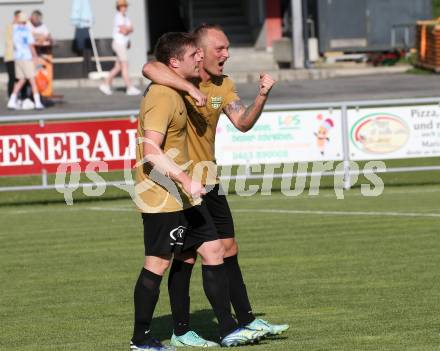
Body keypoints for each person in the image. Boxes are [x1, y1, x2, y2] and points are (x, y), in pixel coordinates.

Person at [142, 24, 289, 346]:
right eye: (219, 48)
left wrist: (262, 95)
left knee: (227, 249)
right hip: (182, 183)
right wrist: (192, 89)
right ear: (199, 51)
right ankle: (186, 329)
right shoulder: (176, 80)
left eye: (226, 48)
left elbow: (243, 122)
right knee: (189, 257)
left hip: (210, 180)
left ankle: (245, 320)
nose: (226, 54)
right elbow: (150, 66)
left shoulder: (223, 85)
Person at [99, 0, 141, 96]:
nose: (125, 7)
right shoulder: (118, 16)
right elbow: (124, 30)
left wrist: (128, 29)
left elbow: (130, 29)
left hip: (121, 44)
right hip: (119, 44)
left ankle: (105, 84)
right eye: (123, 6)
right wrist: (128, 29)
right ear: (119, 7)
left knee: (118, 67)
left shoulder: (125, 17)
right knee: (125, 65)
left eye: (125, 5)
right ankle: (129, 87)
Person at [7, 12, 44, 110]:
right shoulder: (27, 31)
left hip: (18, 57)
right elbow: (31, 46)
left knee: (21, 80)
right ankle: (38, 103)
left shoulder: (14, 29)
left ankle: (11, 100)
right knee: (33, 80)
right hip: (27, 58)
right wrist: (35, 58)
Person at [4, 10, 22, 98]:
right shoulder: (10, 27)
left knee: (21, 78)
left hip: (20, 57)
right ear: (16, 17)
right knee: (12, 77)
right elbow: (12, 42)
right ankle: (11, 96)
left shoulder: (22, 27)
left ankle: (18, 95)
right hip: (11, 57)